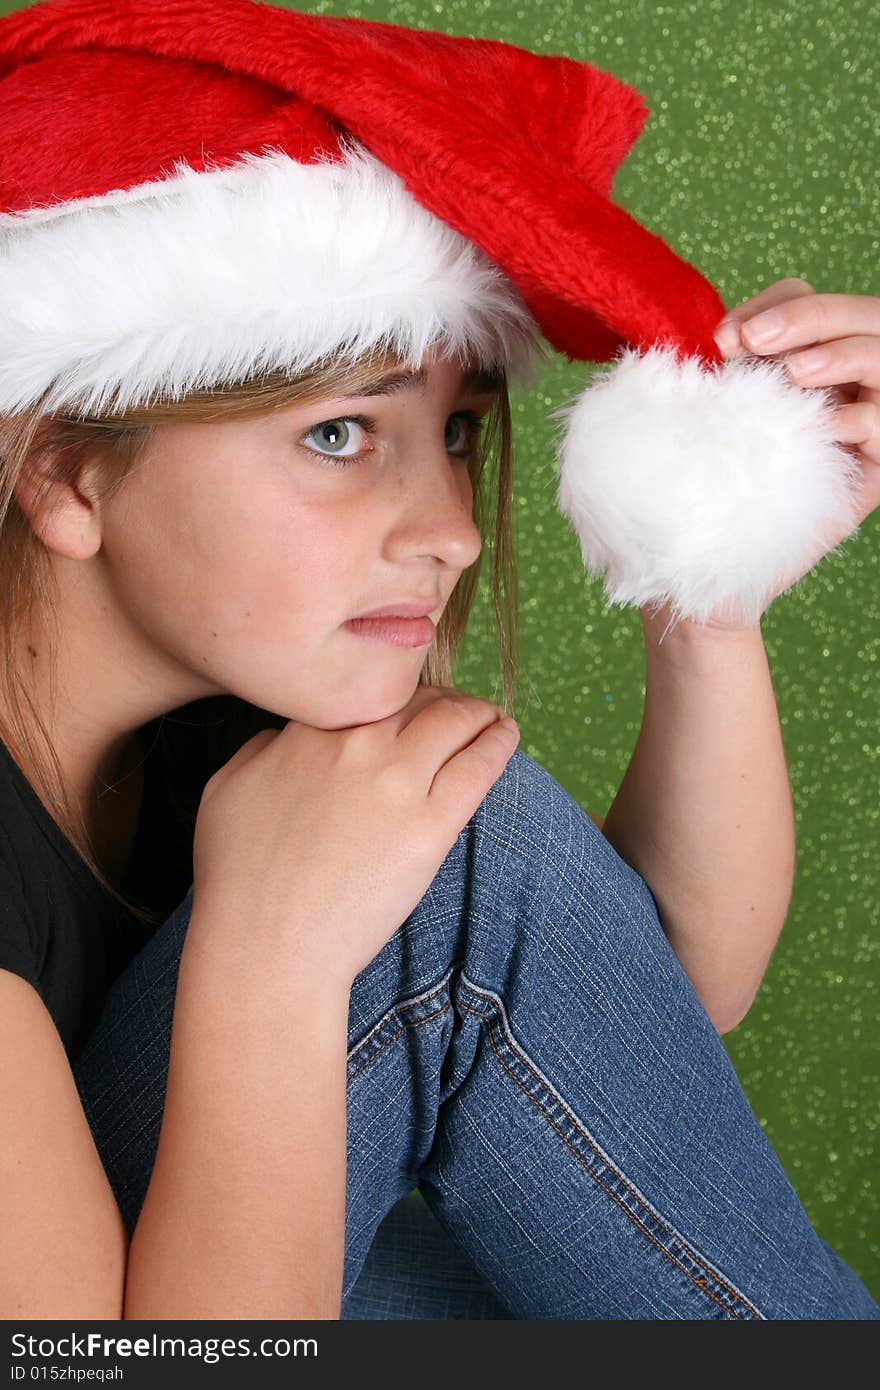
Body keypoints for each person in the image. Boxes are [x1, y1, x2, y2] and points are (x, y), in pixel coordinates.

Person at [0, 0, 877, 1320]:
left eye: (457, 433)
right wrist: (274, 955)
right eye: (341, 437)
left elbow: (655, 997)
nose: (455, 533)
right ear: (66, 470)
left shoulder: (226, 714)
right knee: (451, 864)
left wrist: (708, 589)